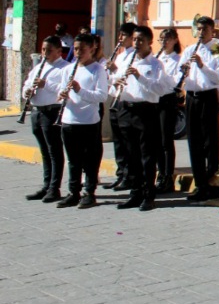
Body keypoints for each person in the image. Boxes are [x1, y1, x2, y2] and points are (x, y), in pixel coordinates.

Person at [109, 26, 173, 212]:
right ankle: (135, 193)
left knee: (147, 156)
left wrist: (139, 77)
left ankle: (148, 195)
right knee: (131, 155)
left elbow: (160, 90)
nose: (136, 43)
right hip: (125, 110)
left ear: (149, 43)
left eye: (141, 40)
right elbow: (112, 88)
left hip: (146, 112)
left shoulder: (156, 65)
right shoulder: (125, 60)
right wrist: (115, 83)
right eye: (135, 40)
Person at [56, 33, 107, 209]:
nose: (78, 53)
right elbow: (61, 89)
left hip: (88, 121)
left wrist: (80, 90)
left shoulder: (98, 70)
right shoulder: (68, 69)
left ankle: (89, 193)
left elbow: (101, 96)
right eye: (75, 49)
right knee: (73, 160)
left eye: (82, 49)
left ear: (91, 48)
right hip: (69, 120)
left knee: (90, 160)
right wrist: (62, 95)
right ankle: (73, 192)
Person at [180, 16, 219, 203]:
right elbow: (179, 71)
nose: (201, 33)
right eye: (198, 29)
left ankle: (212, 182)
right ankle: (200, 183)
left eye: (204, 30)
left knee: (210, 141)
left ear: (212, 31)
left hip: (208, 97)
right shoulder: (190, 49)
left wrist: (201, 65)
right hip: (192, 97)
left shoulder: (217, 51)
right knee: (195, 142)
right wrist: (182, 71)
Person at [22, 36, 70, 203]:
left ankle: (54, 188)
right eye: (43, 50)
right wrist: (27, 92)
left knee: (54, 151)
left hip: (52, 112)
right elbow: (27, 83)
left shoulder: (65, 68)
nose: (45, 53)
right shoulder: (38, 67)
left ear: (59, 51)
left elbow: (64, 90)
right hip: (37, 111)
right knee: (44, 151)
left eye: (49, 50)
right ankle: (46, 185)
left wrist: (45, 84)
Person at [104, 22, 136, 191]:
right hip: (115, 98)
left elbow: (127, 78)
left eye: (124, 35)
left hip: (126, 101)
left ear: (132, 37)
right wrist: (110, 73)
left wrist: (115, 71)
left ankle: (129, 176)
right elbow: (113, 79)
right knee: (118, 142)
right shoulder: (121, 55)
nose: (120, 39)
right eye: (120, 35)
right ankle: (120, 173)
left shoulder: (134, 56)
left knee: (126, 142)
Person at [155, 28, 182, 195]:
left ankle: (168, 176)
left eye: (167, 39)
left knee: (166, 140)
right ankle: (159, 174)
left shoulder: (177, 60)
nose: (164, 42)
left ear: (174, 41)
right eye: (161, 39)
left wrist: (159, 76)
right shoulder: (156, 58)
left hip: (167, 100)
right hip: (154, 100)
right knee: (156, 140)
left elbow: (173, 82)